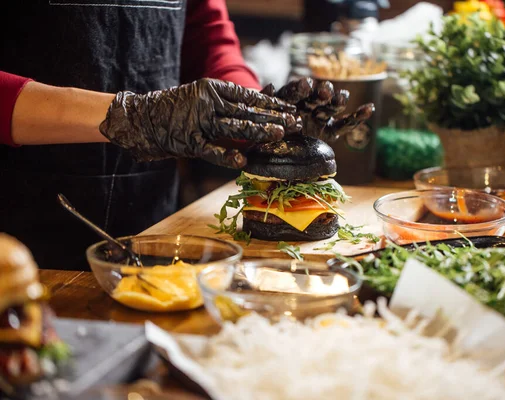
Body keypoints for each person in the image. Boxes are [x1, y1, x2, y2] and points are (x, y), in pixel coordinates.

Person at [0, 0, 373, 270]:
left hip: (156, 232)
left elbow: (208, 37)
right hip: (15, 232)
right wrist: (133, 117)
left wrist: (258, 116)